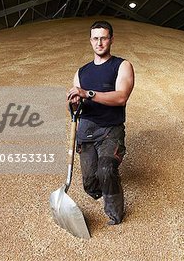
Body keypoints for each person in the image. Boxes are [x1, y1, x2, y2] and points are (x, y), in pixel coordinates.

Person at [67, 20, 134, 225]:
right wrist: (75, 100)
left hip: (110, 130)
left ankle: (115, 215)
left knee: (106, 170)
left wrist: (87, 93)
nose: (99, 43)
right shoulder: (82, 72)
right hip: (86, 130)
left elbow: (121, 97)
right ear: (90, 41)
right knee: (89, 182)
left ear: (111, 40)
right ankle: (103, 188)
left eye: (103, 38)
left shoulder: (122, 66)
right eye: (95, 38)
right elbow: (75, 104)